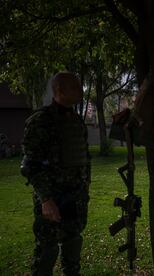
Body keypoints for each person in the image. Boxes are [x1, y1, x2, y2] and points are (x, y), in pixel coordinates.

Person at [21, 72, 90, 275]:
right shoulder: (40, 121)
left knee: (73, 246)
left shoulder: (77, 121)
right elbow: (30, 165)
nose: (80, 91)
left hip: (75, 198)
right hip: (52, 199)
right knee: (47, 251)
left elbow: (85, 157)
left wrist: (85, 187)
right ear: (60, 90)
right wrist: (46, 199)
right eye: (75, 87)